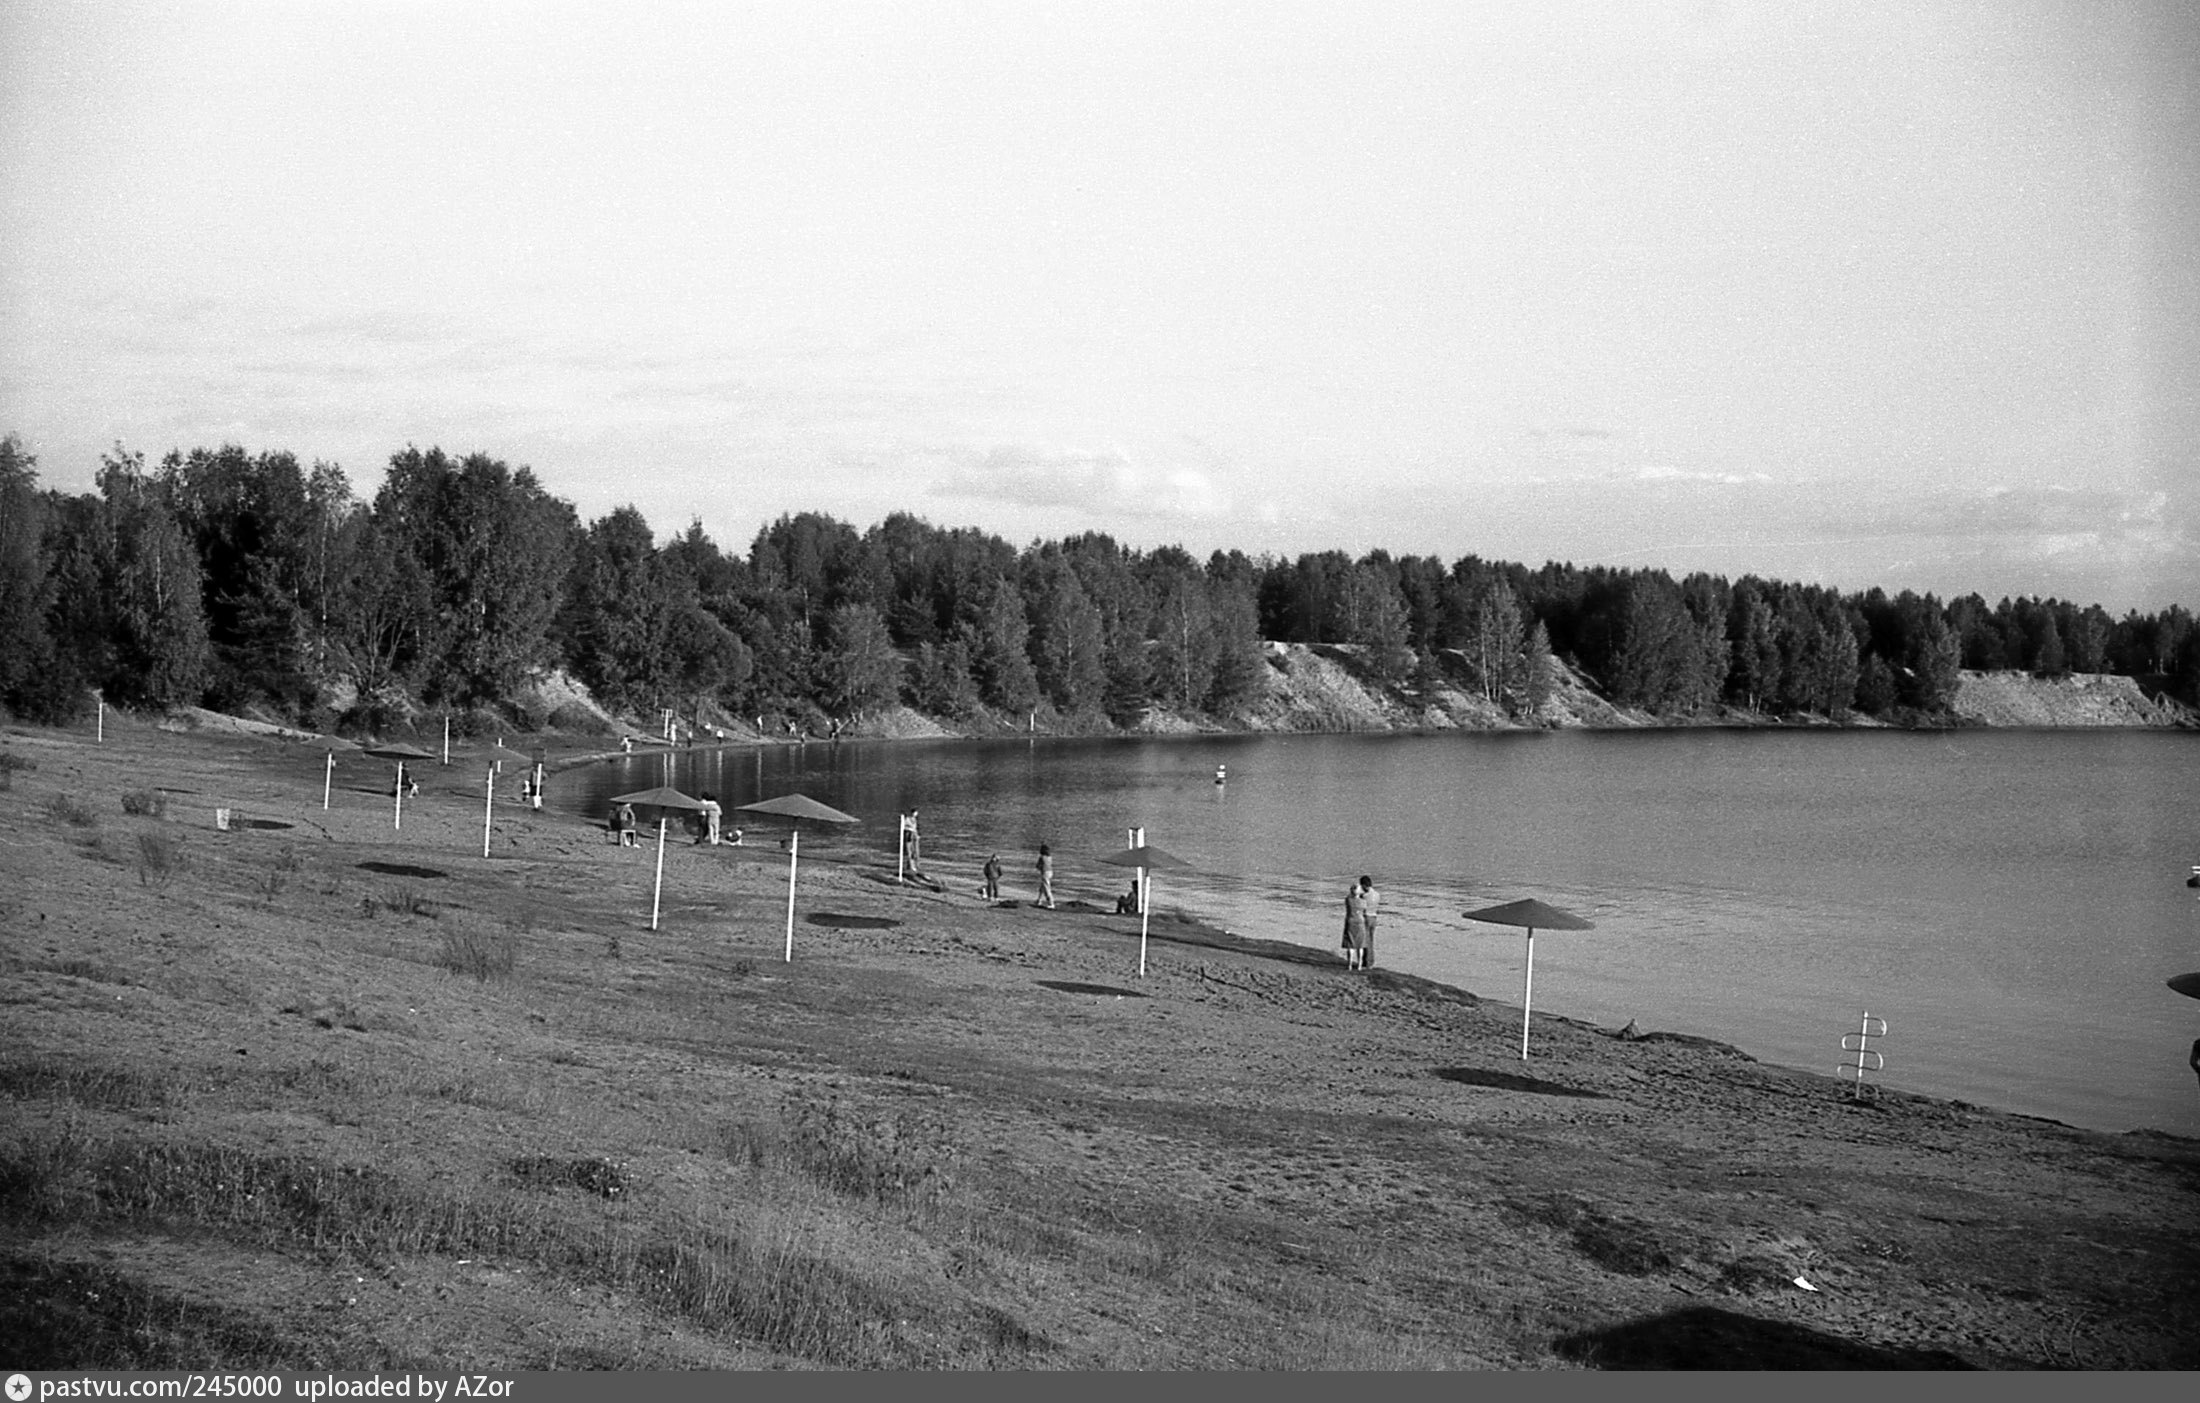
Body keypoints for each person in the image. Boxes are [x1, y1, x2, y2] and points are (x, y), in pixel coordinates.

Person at [1342, 879, 1368, 970]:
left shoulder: (1348, 900)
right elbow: (1364, 910)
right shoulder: (1363, 902)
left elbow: (1348, 897)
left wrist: (1352, 892)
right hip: (1360, 922)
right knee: (1360, 945)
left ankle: (1349, 964)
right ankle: (1359, 965)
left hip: (1350, 921)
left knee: (1350, 944)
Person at [1359, 875, 1381, 970]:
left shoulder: (1364, 896)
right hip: (1374, 917)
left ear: (1364, 885)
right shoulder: (1377, 894)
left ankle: (1367, 962)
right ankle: (1370, 961)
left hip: (1366, 917)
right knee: (1371, 940)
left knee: (1365, 941)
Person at [1036, 843, 1055, 909]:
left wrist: (1039, 867)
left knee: (1046, 888)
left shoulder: (1041, 857)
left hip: (1045, 873)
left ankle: (1051, 903)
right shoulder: (1050, 857)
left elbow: (1038, 866)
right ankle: (1039, 900)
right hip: (1051, 872)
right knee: (1042, 887)